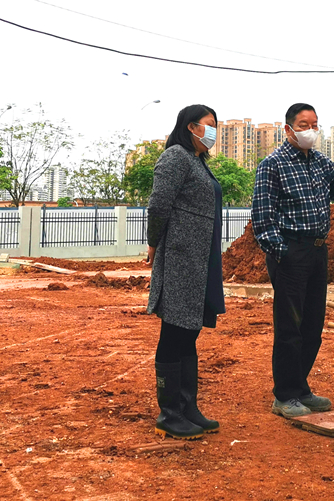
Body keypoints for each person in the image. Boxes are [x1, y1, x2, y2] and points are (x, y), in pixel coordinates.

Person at [252, 102, 334, 418]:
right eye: (304, 125)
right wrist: (282, 253)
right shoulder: (272, 165)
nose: (311, 130)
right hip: (290, 252)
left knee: (312, 326)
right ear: (288, 129)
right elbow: (262, 218)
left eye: (315, 124)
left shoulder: (320, 163)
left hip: (318, 251)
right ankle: (284, 396)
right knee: (290, 326)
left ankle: (300, 388)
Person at [145, 104, 226, 439]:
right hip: (180, 258)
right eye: (209, 124)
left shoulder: (197, 161)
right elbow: (158, 204)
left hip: (199, 259)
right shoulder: (176, 157)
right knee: (174, 332)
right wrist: (153, 242)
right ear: (191, 127)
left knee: (189, 332)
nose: (214, 131)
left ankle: (187, 407)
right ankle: (169, 413)